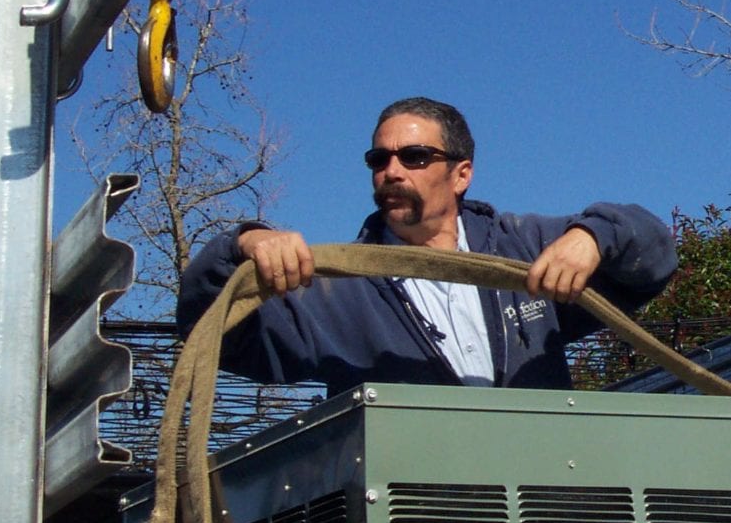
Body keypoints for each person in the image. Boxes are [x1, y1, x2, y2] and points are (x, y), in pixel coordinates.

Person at [177, 97, 677, 393]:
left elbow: (654, 256)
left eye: (414, 156)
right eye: (379, 159)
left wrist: (593, 236)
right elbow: (213, 335)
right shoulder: (334, 288)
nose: (391, 171)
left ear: (461, 174)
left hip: (546, 511)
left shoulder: (524, 245)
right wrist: (241, 244)